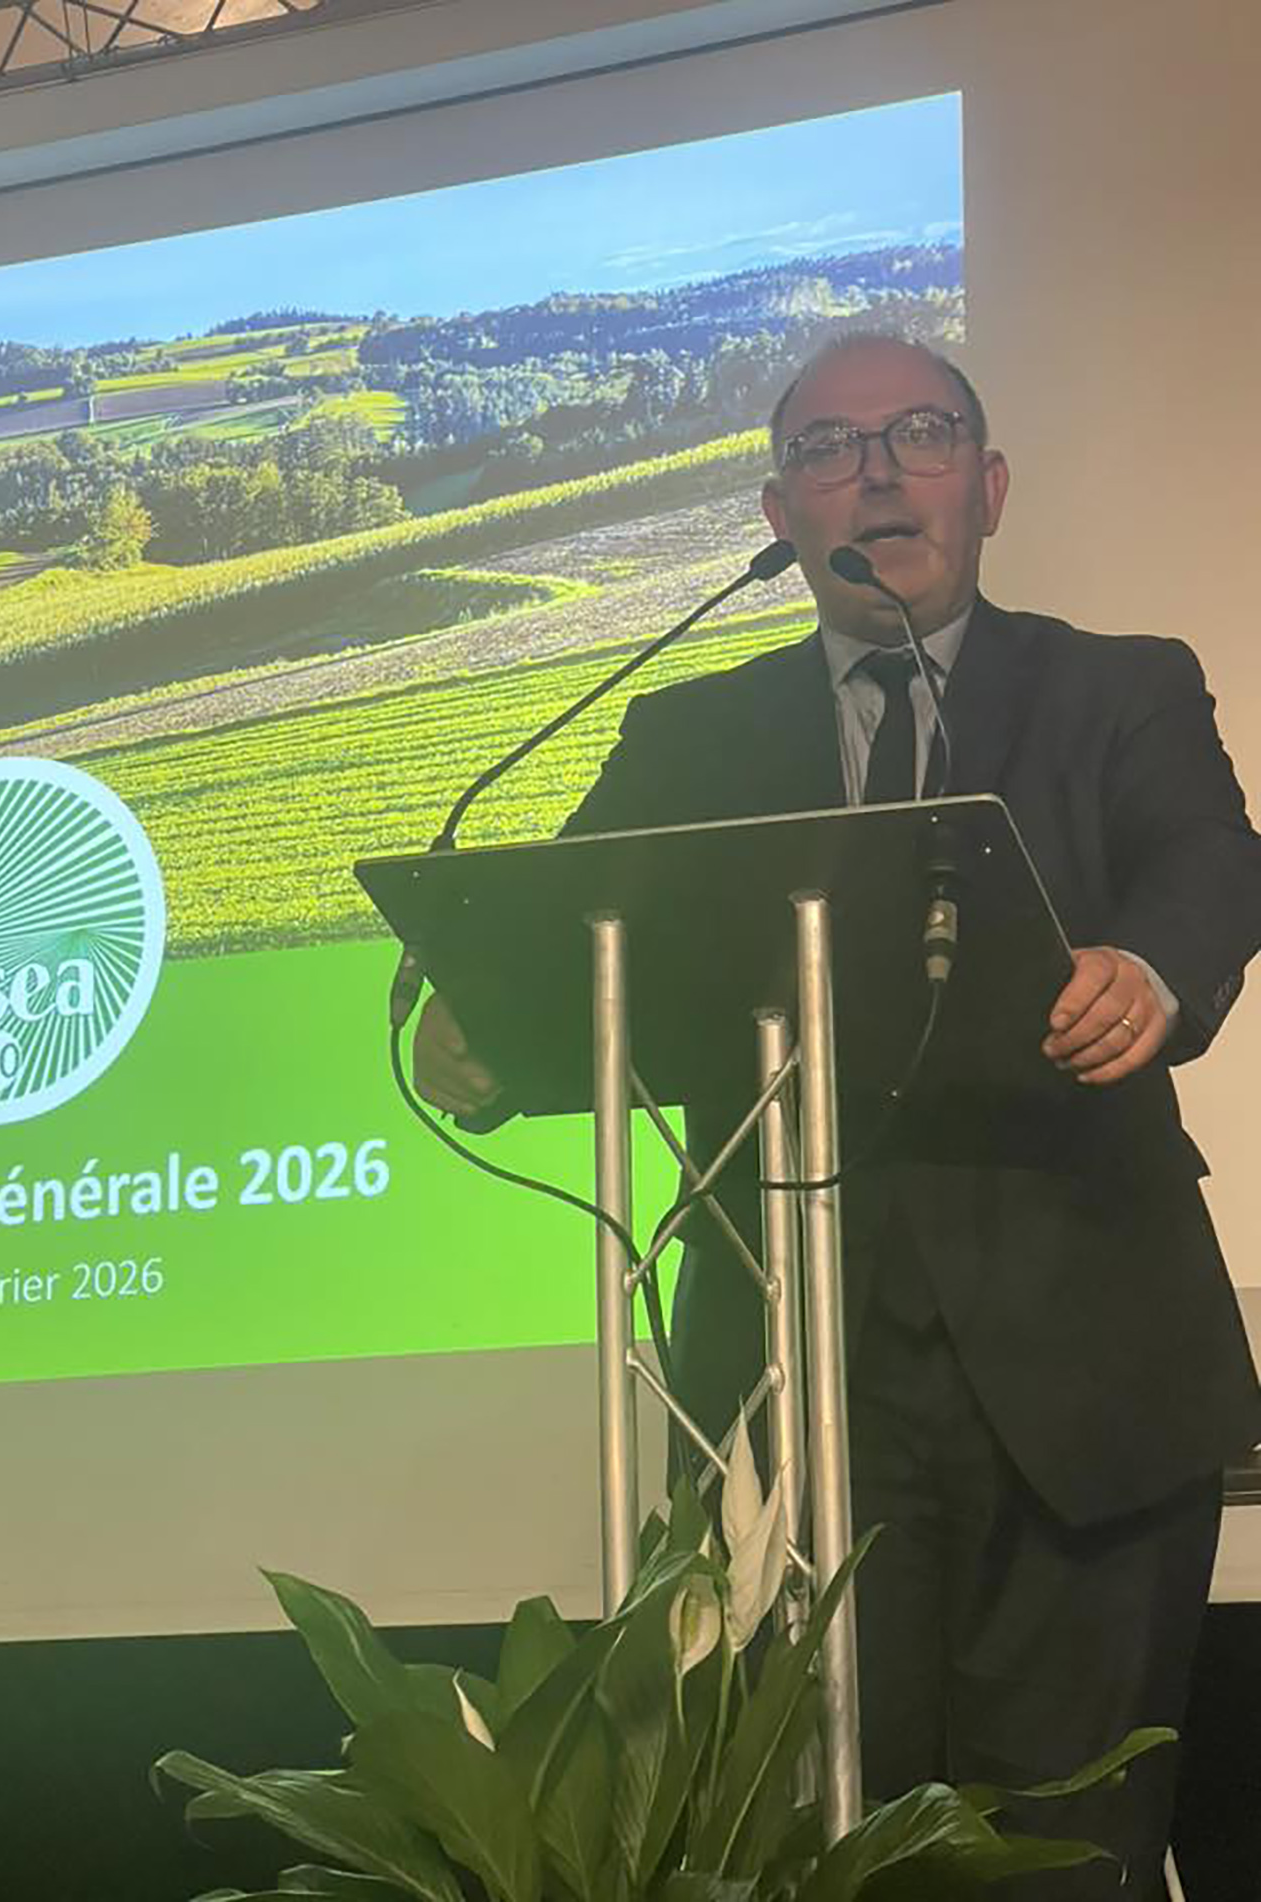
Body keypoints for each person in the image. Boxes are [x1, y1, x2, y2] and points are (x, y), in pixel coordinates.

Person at [415, 333, 1261, 1893]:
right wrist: (466, 1027)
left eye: (919, 436)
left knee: (1061, 1858)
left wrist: (1151, 970)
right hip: (785, 1391)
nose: (874, 474)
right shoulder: (686, 734)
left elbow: (1214, 862)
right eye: (829, 449)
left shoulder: (1119, 686)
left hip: (1085, 1381)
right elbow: (552, 931)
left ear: (989, 490)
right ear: (777, 509)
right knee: (813, 1844)